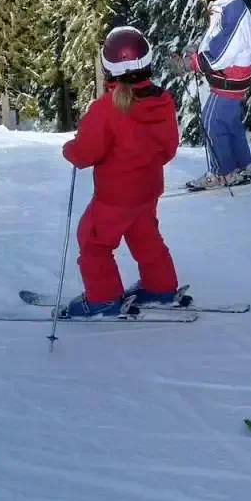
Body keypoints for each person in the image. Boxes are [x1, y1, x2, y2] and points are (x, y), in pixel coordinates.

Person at [60, 27, 182, 318]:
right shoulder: (162, 100)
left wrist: (71, 150)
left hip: (115, 196)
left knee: (93, 240)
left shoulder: (107, 108)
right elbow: (168, 148)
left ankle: (103, 298)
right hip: (148, 189)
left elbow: (86, 153)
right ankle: (160, 287)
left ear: (108, 68)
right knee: (144, 236)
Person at [181, 0, 251, 190]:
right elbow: (217, 39)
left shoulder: (232, 12)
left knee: (212, 121)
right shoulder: (225, 6)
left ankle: (222, 173)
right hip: (232, 73)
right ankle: (242, 165)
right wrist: (198, 50)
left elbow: (225, 50)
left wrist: (195, 63)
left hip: (231, 76)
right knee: (228, 120)